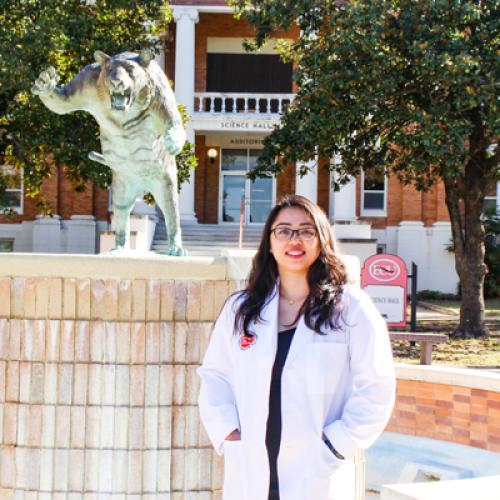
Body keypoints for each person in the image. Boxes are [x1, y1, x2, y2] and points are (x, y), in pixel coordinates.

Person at [198, 195, 396, 500]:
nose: (295, 239)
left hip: (317, 471)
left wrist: (335, 445)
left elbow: (376, 387)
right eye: (284, 230)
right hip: (252, 467)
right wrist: (228, 432)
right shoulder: (241, 309)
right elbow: (215, 376)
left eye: (306, 230)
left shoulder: (352, 308)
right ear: (269, 242)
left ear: (321, 240)